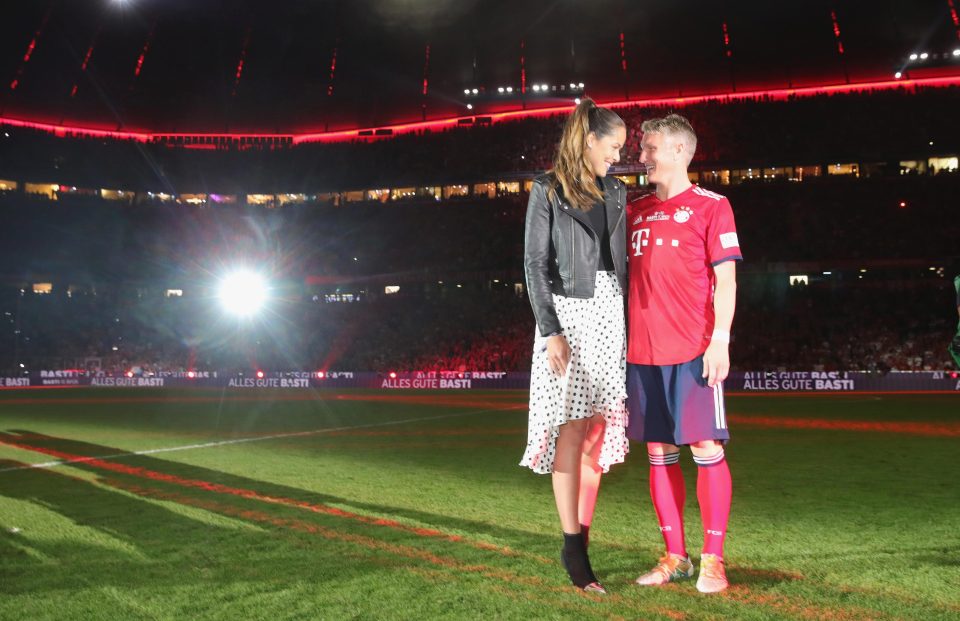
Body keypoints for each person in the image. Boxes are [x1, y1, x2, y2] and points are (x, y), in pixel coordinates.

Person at [625, 114, 741, 593]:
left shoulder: (713, 206)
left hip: (693, 349)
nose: (643, 156)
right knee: (658, 451)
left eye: (650, 148)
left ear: (677, 151)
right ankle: (676, 555)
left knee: (705, 447)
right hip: (642, 352)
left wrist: (720, 340)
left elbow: (728, 280)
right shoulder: (634, 210)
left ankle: (713, 558)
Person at [520, 98, 629, 593]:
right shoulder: (546, 189)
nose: (618, 155)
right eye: (614, 145)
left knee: (598, 434)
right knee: (570, 429)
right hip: (567, 314)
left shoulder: (619, 191)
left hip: (611, 312)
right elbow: (533, 265)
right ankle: (572, 547)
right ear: (590, 140)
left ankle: (582, 535)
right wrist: (551, 331)